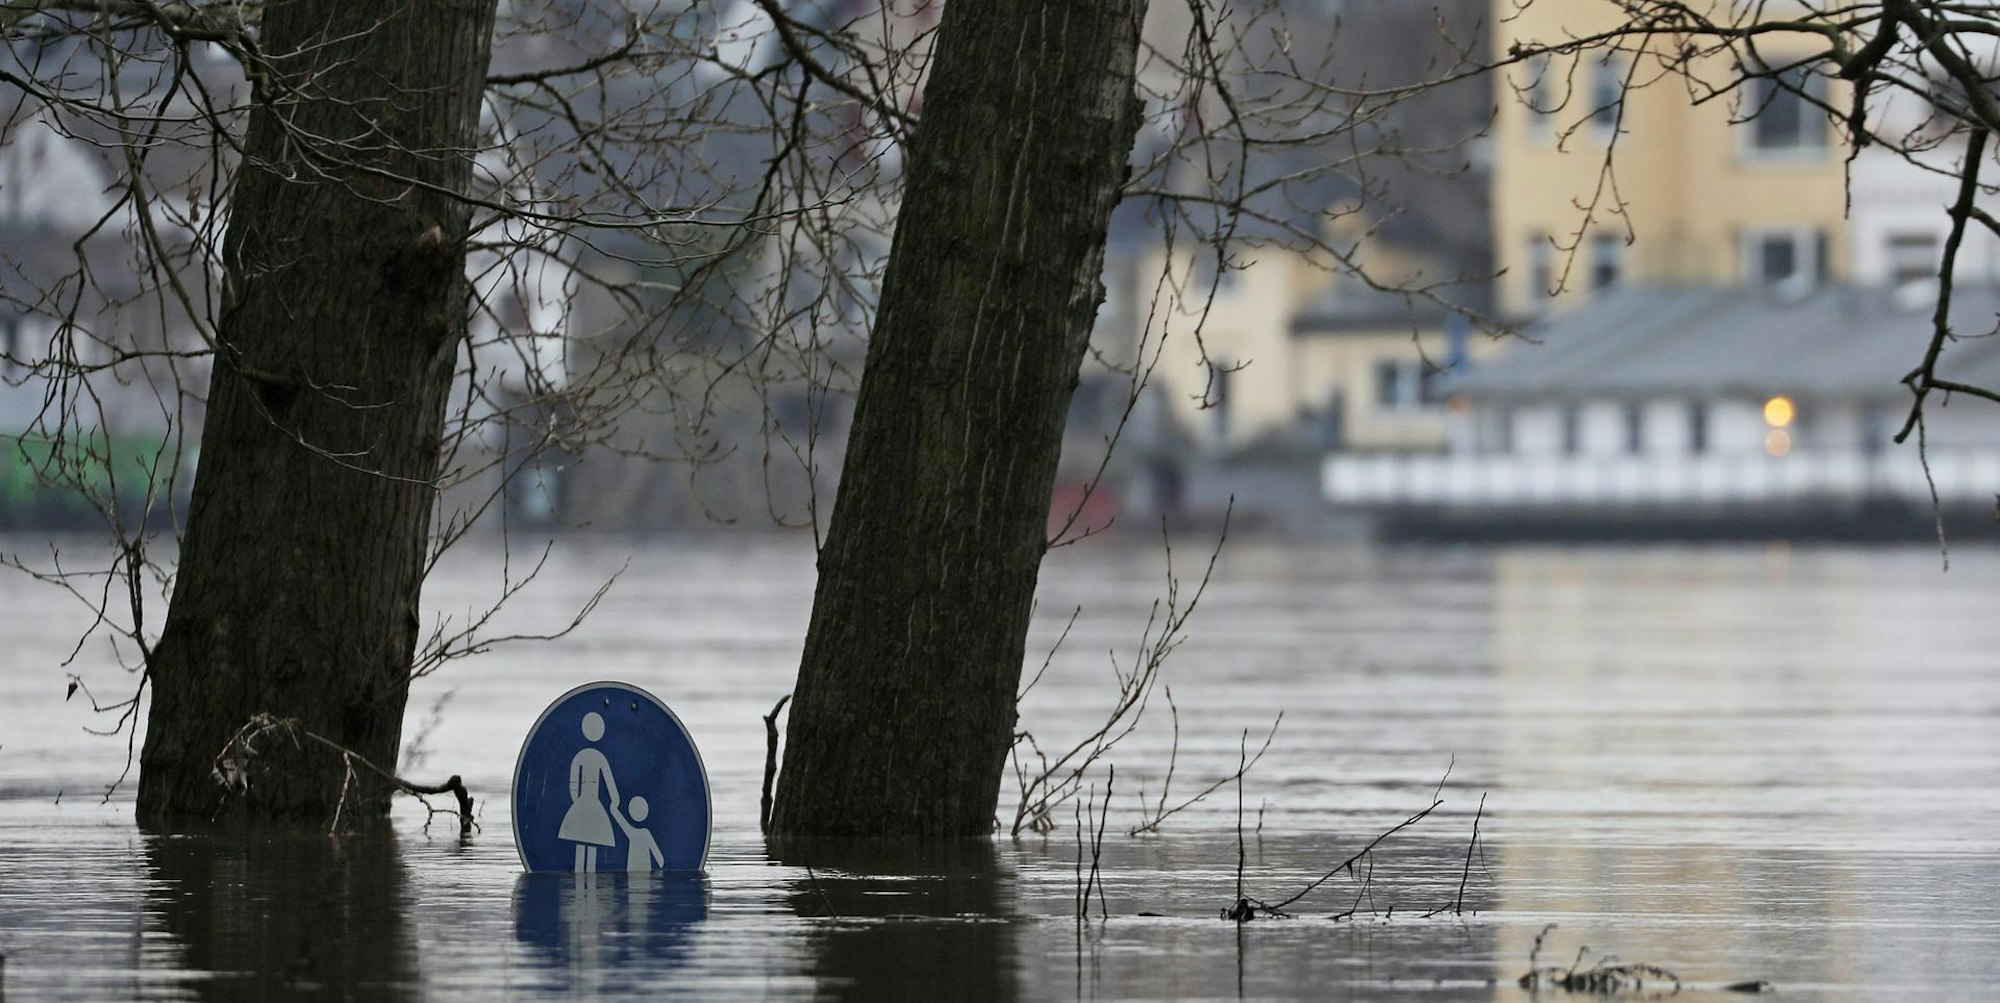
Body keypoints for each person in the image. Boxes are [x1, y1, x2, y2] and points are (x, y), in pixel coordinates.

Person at [558, 711, 621, 873]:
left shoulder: (582, 756)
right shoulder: (597, 757)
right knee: (590, 842)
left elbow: (574, 784)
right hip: (590, 804)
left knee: (585, 842)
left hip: (584, 803)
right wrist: (615, 799)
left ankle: (582, 880)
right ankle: (587, 882)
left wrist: (577, 801)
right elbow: (609, 782)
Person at [615, 796, 665, 872]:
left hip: (637, 870)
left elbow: (623, 824)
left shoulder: (636, 833)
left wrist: (614, 811)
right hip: (637, 871)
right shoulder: (643, 833)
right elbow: (658, 856)